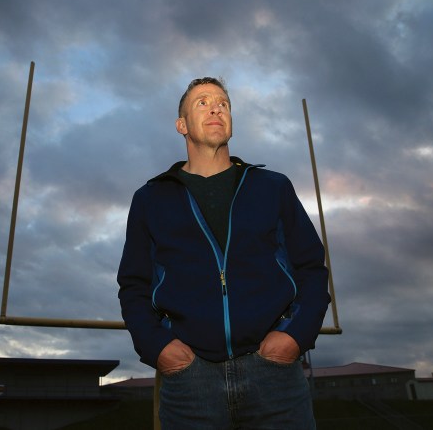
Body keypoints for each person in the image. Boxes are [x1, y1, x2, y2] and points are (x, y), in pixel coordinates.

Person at [117, 77, 330, 429]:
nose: (216, 107)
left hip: (273, 371)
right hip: (190, 379)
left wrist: (294, 337)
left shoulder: (273, 187)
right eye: (202, 102)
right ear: (181, 125)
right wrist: (158, 348)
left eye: (223, 103)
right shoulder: (151, 198)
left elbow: (311, 268)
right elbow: (133, 284)